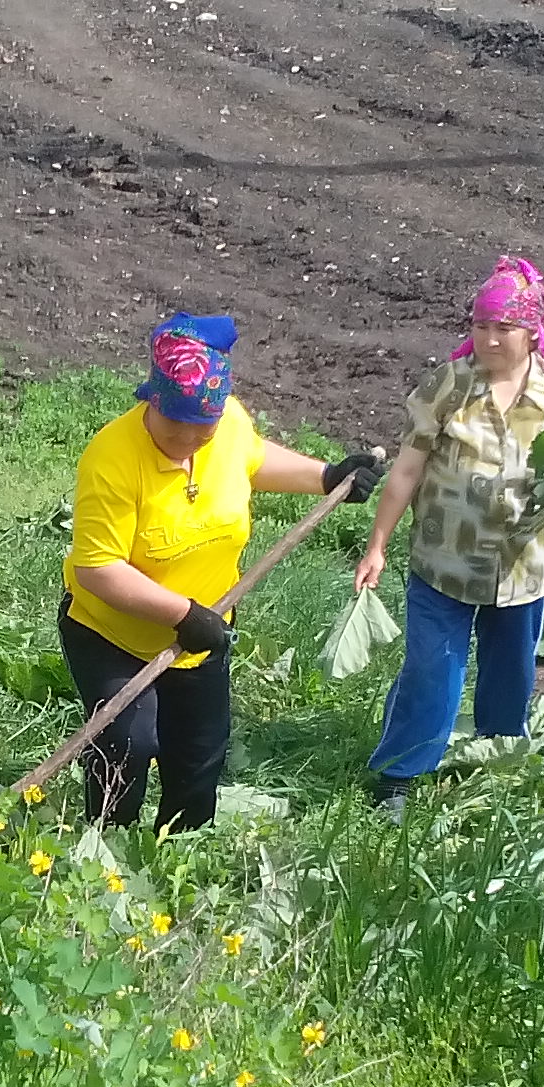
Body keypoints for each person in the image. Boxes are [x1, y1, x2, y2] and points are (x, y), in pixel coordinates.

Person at [62, 313, 379, 834]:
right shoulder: (112, 458)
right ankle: (105, 851)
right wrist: (181, 613)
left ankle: (179, 858)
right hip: (113, 633)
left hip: (203, 631)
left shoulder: (227, 423)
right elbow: (98, 569)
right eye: (175, 423)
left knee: (200, 753)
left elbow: (252, 459)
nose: (189, 437)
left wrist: (326, 477)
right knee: (128, 742)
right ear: (153, 401)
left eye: (202, 427)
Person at [354, 258, 544, 811]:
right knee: (432, 670)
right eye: (481, 326)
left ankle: (495, 763)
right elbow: (408, 469)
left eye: (503, 329)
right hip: (444, 560)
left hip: (523, 568)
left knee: (511, 676)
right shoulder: (449, 385)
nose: (489, 339)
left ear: (532, 331)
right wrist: (377, 545)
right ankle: (399, 776)